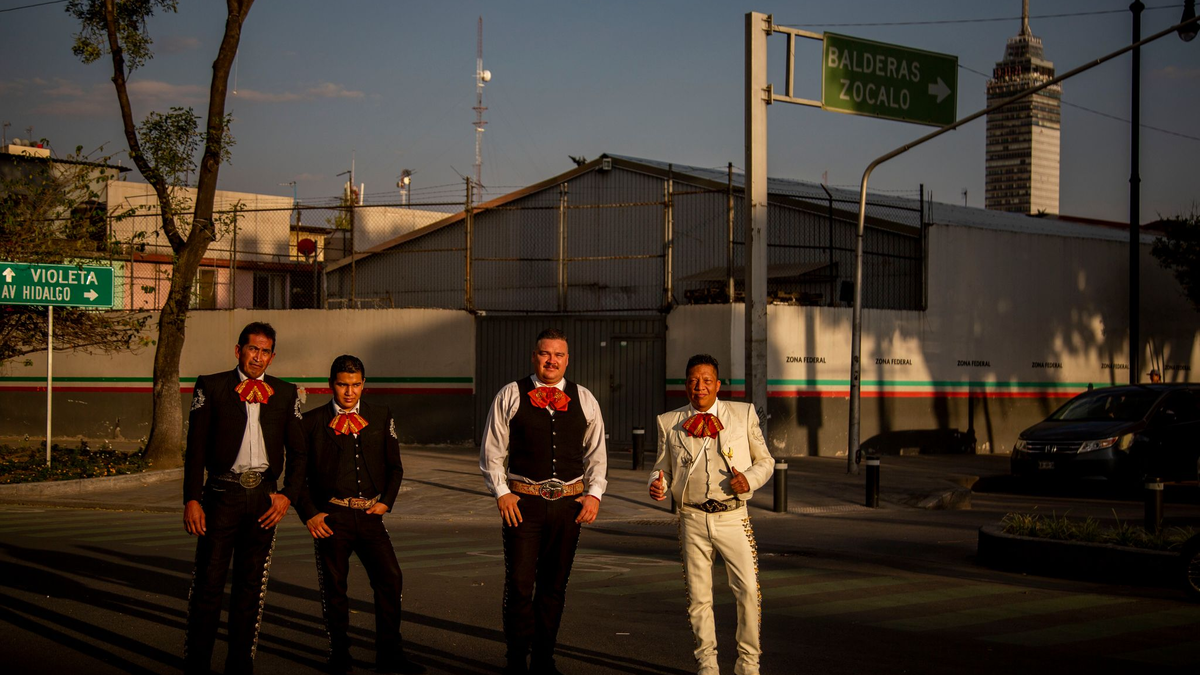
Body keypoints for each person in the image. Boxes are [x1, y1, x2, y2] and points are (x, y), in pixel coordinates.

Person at [479, 328, 608, 675]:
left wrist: (594, 494)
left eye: (559, 355)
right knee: (520, 585)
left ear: (568, 359)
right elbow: (492, 451)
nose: (552, 360)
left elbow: (596, 454)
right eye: (545, 353)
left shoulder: (585, 398)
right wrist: (502, 491)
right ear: (534, 356)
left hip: (569, 506)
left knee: (554, 587)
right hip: (524, 504)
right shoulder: (511, 393)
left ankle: (543, 661)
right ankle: (516, 660)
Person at [183, 322, 307, 675]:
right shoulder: (213, 386)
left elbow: (300, 454)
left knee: (250, 587)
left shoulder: (285, 394)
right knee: (209, 584)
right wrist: (192, 499)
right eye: (253, 348)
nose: (258, 356)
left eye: (265, 351)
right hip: (221, 495)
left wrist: (287, 496)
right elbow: (195, 450)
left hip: (264, 500)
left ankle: (239, 665)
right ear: (238, 350)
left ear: (272, 355)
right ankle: (197, 664)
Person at [296, 355, 425, 675]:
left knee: (391, 578)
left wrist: (386, 503)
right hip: (332, 517)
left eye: (355, 385)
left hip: (370, 516)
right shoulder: (310, 422)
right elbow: (297, 479)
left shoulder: (380, 416)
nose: (349, 392)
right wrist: (311, 514)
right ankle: (340, 656)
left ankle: (389, 655)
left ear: (363, 385)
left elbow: (395, 467)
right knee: (335, 586)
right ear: (331, 385)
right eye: (342, 385)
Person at [649, 354, 774, 675]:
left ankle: (748, 664)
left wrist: (749, 479)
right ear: (685, 385)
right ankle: (707, 664)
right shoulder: (669, 422)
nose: (699, 387)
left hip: (733, 515)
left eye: (706, 380)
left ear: (718, 385)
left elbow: (766, 461)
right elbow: (660, 467)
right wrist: (656, 484)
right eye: (693, 380)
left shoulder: (743, 415)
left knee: (747, 590)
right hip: (691, 518)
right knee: (698, 596)